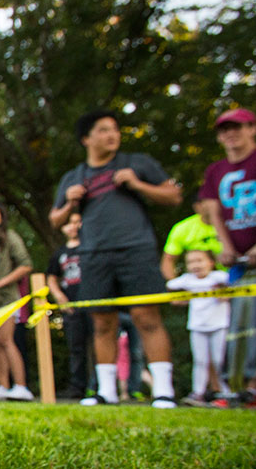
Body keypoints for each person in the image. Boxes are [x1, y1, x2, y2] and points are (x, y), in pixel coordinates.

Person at [49, 109, 182, 408]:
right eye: (104, 130)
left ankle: (163, 390)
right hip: (93, 253)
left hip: (136, 248)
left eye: (115, 130)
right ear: (87, 138)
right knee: (102, 322)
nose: (112, 135)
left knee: (146, 316)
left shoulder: (135, 164)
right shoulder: (75, 177)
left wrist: (137, 184)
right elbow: (55, 220)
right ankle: (105, 391)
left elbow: (173, 196)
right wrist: (70, 202)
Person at [198, 107, 256, 408]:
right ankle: (243, 388)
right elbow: (213, 211)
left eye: (237, 127)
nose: (230, 134)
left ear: (252, 128)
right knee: (244, 324)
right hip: (238, 261)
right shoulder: (215, 170)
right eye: (224, 129)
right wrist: (225, 247)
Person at [0, 202, 34, 401]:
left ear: (1, 216)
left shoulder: (10, 237)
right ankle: (3, 386)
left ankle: (21, 386)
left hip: (7, 298)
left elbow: (26, 265)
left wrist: (2, 282)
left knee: (6, 340)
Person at [166, 249, 230, 407]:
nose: (195, 265)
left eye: (199, 260)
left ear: (211, 262)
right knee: (200, 361)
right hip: (197, 326)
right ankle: (198, 393)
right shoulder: (187, 280)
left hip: (219, 325)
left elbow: (232, 281)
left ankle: (226, 394)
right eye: (191, 262)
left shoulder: (219, 278)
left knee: (219, 360)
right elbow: (170, 285)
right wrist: (182, 297)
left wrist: (224, 292)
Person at [46, 212, 91, 400]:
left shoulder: (91, 247)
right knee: (76, 347)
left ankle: (99, 386)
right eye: (68, 223)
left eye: (77, 222)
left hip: (94, 303)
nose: (73, 227)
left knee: (99, 344)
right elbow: (51, 278)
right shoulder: (60, 253)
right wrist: (59, 296)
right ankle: (77, 387)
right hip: (71, 306)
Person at [160, 197, 223, 280]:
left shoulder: (232, 221)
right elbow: (168, 260)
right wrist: (175, 285)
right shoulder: (182, 228)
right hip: (197, 282)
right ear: (196, 206)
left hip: (233, 277)